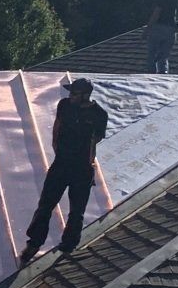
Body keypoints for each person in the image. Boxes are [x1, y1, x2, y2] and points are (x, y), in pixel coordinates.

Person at [18, 79, 110, 263]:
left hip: (82, 167)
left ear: (85, 95)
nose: (70, 96)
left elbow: (95, 141)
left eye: (75, 93)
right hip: (61, 164)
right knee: (45, 205)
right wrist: (57, 149)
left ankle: (68, 245)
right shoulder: (64, 105)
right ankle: (34, 243)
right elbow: (57, 126)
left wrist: (89, 164)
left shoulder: (99, 114)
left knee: (77, 211)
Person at [145, 0, 178, 73]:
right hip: (171, 28)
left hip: (159, 28)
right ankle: (163, 76)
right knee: (163, 56)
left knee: (152, 54)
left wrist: (147, 29)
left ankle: (150, 77)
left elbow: (156, 13)